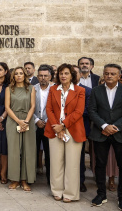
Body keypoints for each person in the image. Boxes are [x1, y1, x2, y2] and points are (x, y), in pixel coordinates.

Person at [45, 63, 86, 203]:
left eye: (66, 73)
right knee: (56, 162)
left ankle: (70, 193)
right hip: (54, 128)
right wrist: (57, 126)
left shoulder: (80, 90)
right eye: (61, 73)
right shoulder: (53, 89)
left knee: (72, 163)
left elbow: (79, 112)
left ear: (72, 75)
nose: (63, 75)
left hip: (72, 129)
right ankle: (57, 190)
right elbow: (48, 109)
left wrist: (63, 125)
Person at [88, 64, 122, 209]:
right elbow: (92, 110)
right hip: (100, 133)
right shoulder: (96, 90)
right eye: (106, 73)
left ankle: (121, 197)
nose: (109, 76)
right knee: (100, 165)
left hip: (119, 133)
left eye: (112, 74)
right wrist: (104, 126)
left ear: (119, 76)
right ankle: (101, 194)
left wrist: (115, 127)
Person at [5, 66, 36, 191]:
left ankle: (25, 180)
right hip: (13, 120)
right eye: (16, 73)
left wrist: (26, 122)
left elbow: (33, 106)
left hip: (28, 120)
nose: (19, 75)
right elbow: (7, 107)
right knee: (14, 151)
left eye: (21, 73)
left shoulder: (31, 88)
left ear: (25, 75)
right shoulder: (9, 89)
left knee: (27, 150)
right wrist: (18, 121)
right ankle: (14, 179)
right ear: (13, 76)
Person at [33, 65, 54, 187]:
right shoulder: (32, 89)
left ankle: (50, 180)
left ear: (50, 76)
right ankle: (31, 178)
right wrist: (36, 120)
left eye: (46, 76)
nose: (43, 78)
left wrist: (46, 120)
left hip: (49, 125)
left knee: (50, 154)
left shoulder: (55, 89)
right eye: (40, 75)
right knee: (33, 153)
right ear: (37, 76)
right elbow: (29, 107)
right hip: (35, 125)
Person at [73, 65, 92, 192]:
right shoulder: (61, 89)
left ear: (80, 74)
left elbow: (88, 110)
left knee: (79, 157)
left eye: (75, 73)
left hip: (80, 128)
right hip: (64, 128)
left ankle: (80, 182)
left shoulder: (87, 90)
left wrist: (72, 115)